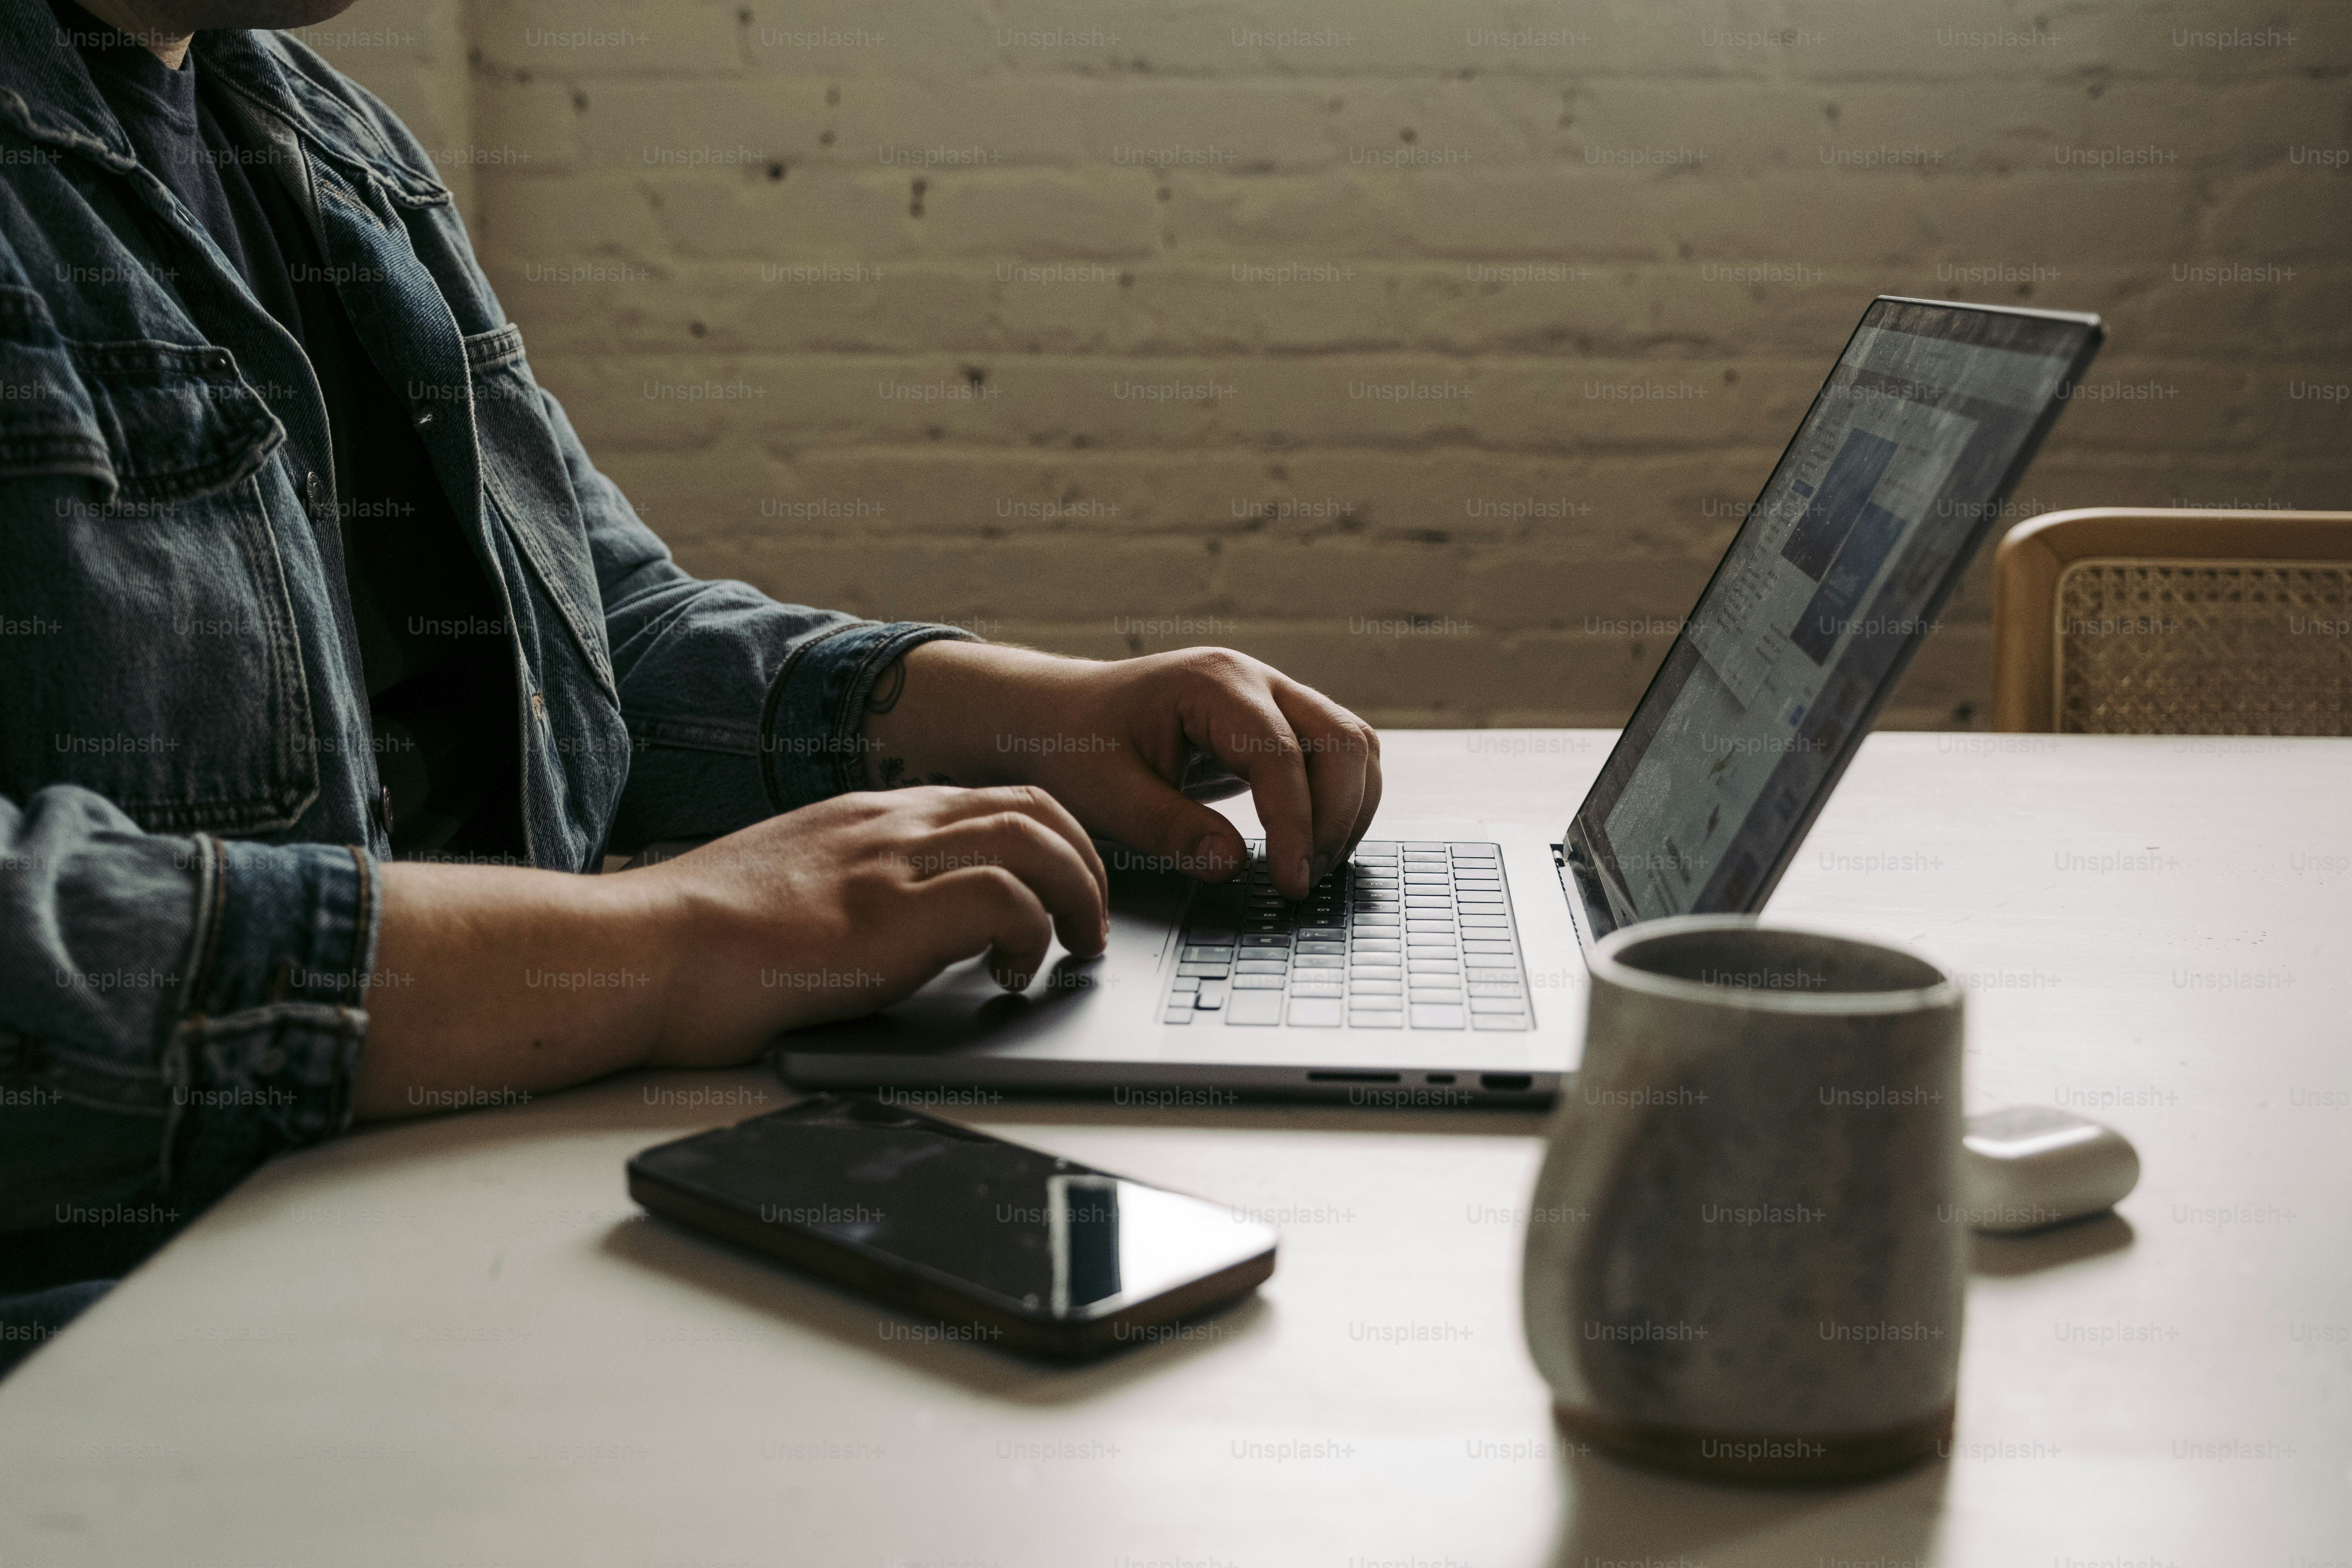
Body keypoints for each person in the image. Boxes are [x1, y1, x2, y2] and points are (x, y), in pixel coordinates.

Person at [0, 0, 1381, 1371]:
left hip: (473, 1186)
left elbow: (597, 635)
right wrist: (660, 943)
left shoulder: (314, 131)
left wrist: (1033, 712)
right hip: (138, 1326)